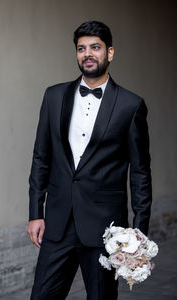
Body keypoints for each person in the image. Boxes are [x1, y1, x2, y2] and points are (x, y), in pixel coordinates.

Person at [27, 20, 152, 300]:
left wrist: (139, 233)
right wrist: (36, 210)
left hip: (105, 230)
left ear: (109, 53)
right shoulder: (54, 96)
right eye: (81, 48)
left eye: (95, 47)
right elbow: (40, 157)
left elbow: (140, 173)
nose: (87, 54)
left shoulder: (130, 106)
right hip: (58, 223)